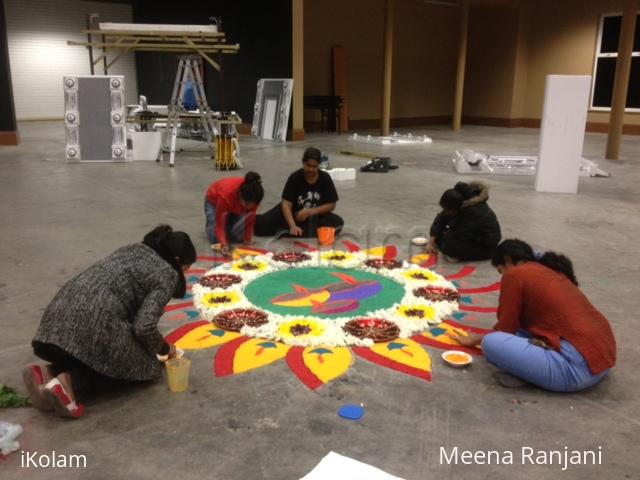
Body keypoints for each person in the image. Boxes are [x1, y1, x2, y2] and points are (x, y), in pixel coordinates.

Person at [23, 225, 196, 418]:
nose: (183, 275)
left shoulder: (134, 249)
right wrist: (165, 349)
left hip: (55, 321)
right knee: (146, 368)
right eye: (185, 270)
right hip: (91, 324)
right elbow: (143, 327)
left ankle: (47, 372)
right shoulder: (167, 273)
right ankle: (70, 383)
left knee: (94, 352)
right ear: (177, 260)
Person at [449, 239, 616, 392]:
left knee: (491, 343)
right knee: (523, 329)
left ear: (507, 260)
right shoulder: (551, 270)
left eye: (501, 271)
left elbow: (505, 329)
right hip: (604, 359)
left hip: (576, 370)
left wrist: (476, 339)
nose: (503, 276)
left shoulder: (515, 275)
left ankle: (531, 372)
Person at [254, 147, 344, 238]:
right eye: (308, 165)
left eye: (314, 166)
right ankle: (292, 229)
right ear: (303, 162)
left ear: (319, 165)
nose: (311, 169)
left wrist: (309, 212)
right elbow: (286, 204)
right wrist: (292, 224)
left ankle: (289, 231)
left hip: (314, 216)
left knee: (338, 223)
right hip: (291, 214)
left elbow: (331, 205)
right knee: (261, 226)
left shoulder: (325, 178)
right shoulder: (295, 177)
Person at [425, 181, 500, 261]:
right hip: (471, 235)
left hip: (485, 245)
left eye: (449, 210)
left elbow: (460, 234)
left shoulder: (474, 211)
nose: (447, 212)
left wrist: (445, 235)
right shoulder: (457, 201)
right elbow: (442, 218)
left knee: (449, 246)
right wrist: (431, 241)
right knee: (443, 237)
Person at [204, 171, 264, 256]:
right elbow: (219, 226)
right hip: (214, 202)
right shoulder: (226, 195)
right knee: (216, 239)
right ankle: (218, 225)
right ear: (240, 195)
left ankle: (229, 219)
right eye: (246, 204)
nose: (249, 208)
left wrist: (247, 241)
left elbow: (250, 222)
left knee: (238, 237)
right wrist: (224, 244)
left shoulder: (253, 199)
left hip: (234, 207)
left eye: (252, 206)